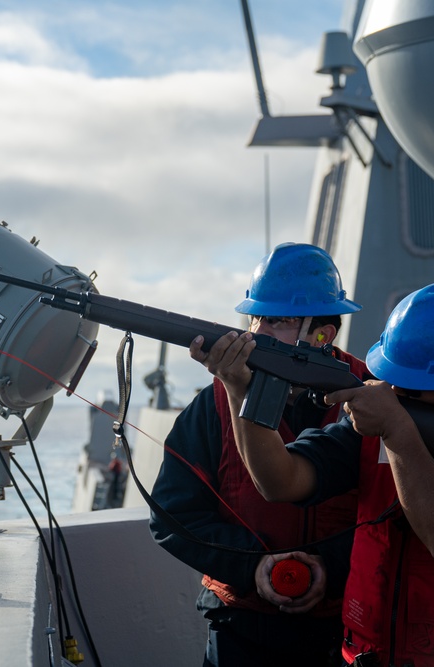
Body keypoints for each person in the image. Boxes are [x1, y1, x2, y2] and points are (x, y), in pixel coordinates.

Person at [194, 282, 434, 666]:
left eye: (412, 390)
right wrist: (240, 390)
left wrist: (398, 432)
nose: (394, 394)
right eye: (393, 380)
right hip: (367, 655)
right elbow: (280, 481)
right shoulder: (383, 421)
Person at [150, 242, 370, 667]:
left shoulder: (371, 400)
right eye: (254, 318)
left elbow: (395, 517)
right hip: (240, 627)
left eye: (277, 321)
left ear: (322, 335)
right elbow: (173, 515)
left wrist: (331, 567)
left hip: (348, 627)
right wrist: (253, 566)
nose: (256, 333)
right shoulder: (214, 404)